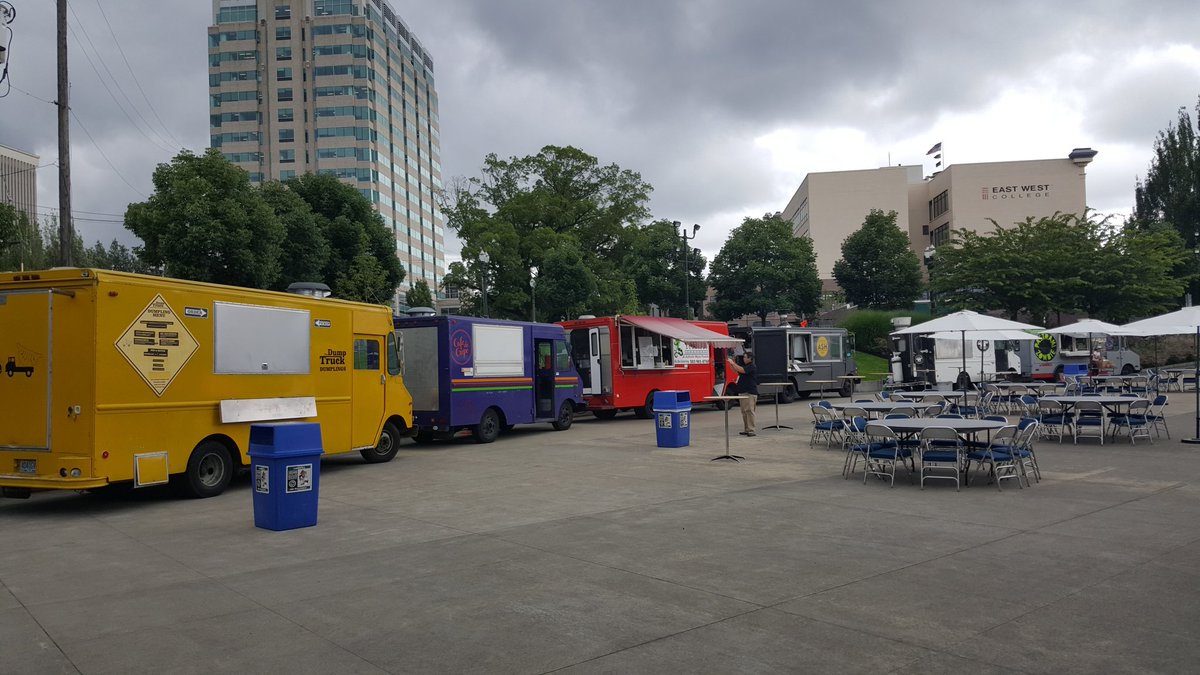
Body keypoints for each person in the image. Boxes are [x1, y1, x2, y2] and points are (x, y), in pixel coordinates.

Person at [726, 350, 758, 436]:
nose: (743, 358)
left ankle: (751, 430)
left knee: (750, 411)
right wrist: (730, 362)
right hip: (743, 392)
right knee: (744, 412)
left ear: (750, 358)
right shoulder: (745, 366)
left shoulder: (752, 366)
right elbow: (736, 371)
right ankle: (746, 429)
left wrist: (733, 363)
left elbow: (742, 370)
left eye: (745, 357)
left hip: (750, 392)